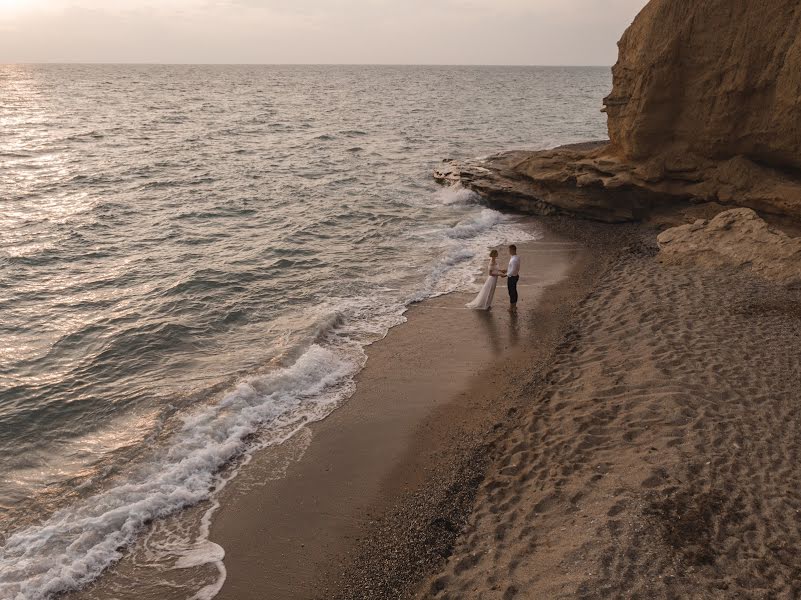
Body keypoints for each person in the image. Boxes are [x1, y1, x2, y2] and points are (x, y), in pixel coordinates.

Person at [505, 244, 520, 310]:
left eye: (509, 250)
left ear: (512, 250)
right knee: (514, 291)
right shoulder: (516, 257)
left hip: (512, 277)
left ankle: (512, 307)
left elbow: (513, 270)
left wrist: (506, 275)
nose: (509, 251)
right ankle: (514, 306)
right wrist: (506, 270)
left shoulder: (514, 260)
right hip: (515, 276)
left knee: (511, 292)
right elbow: (513, 268)